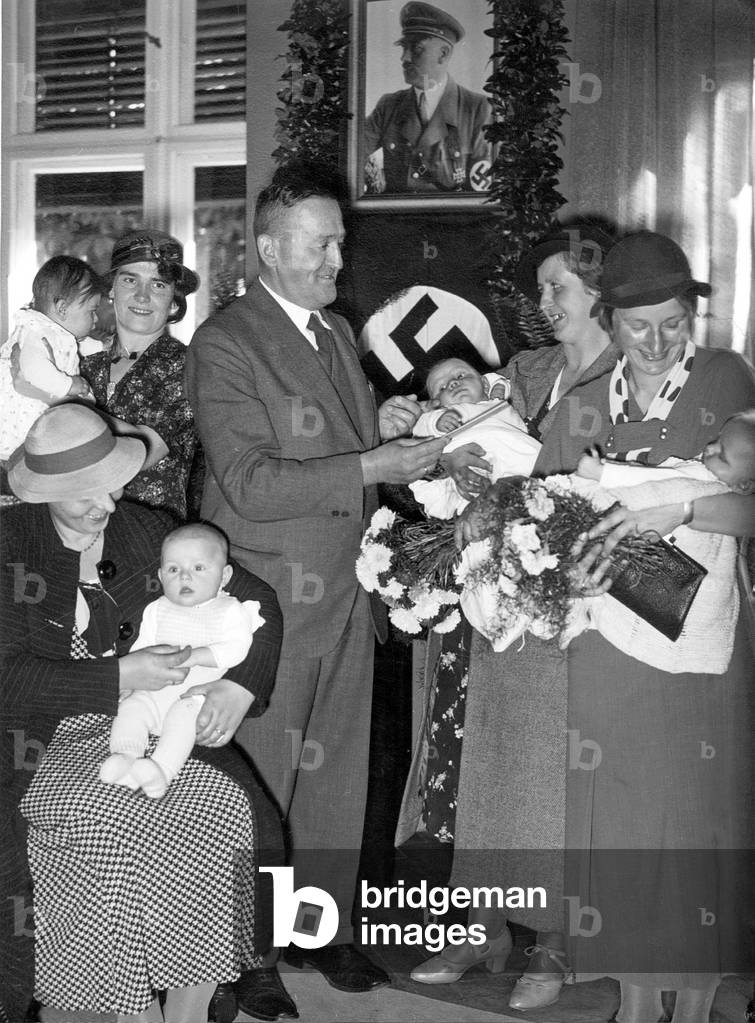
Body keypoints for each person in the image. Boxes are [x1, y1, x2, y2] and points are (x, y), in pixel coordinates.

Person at [185, 164, 447, 1017]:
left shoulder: (332, 329)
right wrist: (371, 462)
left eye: (339, 241)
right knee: (259, 787)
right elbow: (252, 482)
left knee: (335, 781)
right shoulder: (225, 341)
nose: (339, 257)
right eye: (321, 243)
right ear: (268, 248)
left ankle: (318, 930)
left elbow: (339, 440)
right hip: (269, 602)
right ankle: (244, 954)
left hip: (346, 592)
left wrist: (385, 425)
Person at [531, 231, 755, 1023]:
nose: (657, 342)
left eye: (672, 323)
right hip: (606, 647)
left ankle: (690, 1007)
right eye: (637, 326)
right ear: (608, 318)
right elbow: (539, 517)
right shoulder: (583, 403)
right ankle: (632, 1002)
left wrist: (682, 508)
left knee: (691, 822)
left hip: (698, 644)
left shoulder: (726, 377)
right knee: (621, 820)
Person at [0, 403, 285, 1023]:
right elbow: (8, 676)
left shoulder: (143, 528)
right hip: (35, 737)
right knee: (113, 821)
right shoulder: (8, 543)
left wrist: (239, 686)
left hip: (151, 723)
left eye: (113, 484)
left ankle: (191, 1007)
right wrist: (119, 676)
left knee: (222, 808)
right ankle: (130, 1008)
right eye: (87, 494)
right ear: (44, 490)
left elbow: (254, 596)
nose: (107, 504)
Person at [407, 226, 618, 1012]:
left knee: (552, 774)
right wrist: (431, 435)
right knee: (489, 758)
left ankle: (553, 943)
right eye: (539, 288)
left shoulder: (626, 376)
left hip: (575, 603)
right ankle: (480, 927)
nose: (543, 301)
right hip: (498, 596)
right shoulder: (527, 370)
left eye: (557, 286)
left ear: (599, 289)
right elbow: (453, 418)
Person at [100, 522, 265, 799]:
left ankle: (161, 770)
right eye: (173, 570)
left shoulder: (229, 610)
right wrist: (129, 681)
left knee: (184, 718)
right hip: (156, 690)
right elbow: (142, 647)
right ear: (160, 576)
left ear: (224, 576)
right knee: (132, 708)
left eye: (198, 568)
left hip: (196, 696)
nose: (185, 577)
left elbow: (236, 649)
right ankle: (125, 756)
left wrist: (195, 656)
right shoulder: (157, 609)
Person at [80, 229, 200, 520]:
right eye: (130, 280)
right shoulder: (83, 363)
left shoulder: (188, 367)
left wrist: (59, 400)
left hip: (149, 535)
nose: (142, 296)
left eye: (158, 285)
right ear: (111, 290)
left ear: (174, 301)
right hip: (79, 530)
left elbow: (141, 452)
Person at [364, 2, 491, 194]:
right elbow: (353, 156)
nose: (404, 58)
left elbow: (481, 195)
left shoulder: (477, 109)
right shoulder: (388, 106)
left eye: (416, 49)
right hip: (394, 213)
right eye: (404, 48)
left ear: (443, 54)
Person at [0, 255, 104, 462]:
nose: (96, 318)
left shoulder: (57, 333)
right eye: (92, 311)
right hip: (20, 421)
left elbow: (77, 346)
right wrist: (68, 385)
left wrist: (102, 346)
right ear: (62, 309)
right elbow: (34, 369)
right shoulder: (37, 332)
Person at [411, 356, 541, 517]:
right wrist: (435, 423)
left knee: (528, 463)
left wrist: (494, 386)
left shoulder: (496, 401)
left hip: (508, 452)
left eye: (461, 376)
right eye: (442, 388)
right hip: (466, 464)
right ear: (436, 403)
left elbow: (501, 382)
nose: (452, 383)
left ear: (484, 384)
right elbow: (420, 428)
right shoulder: (444, 415)